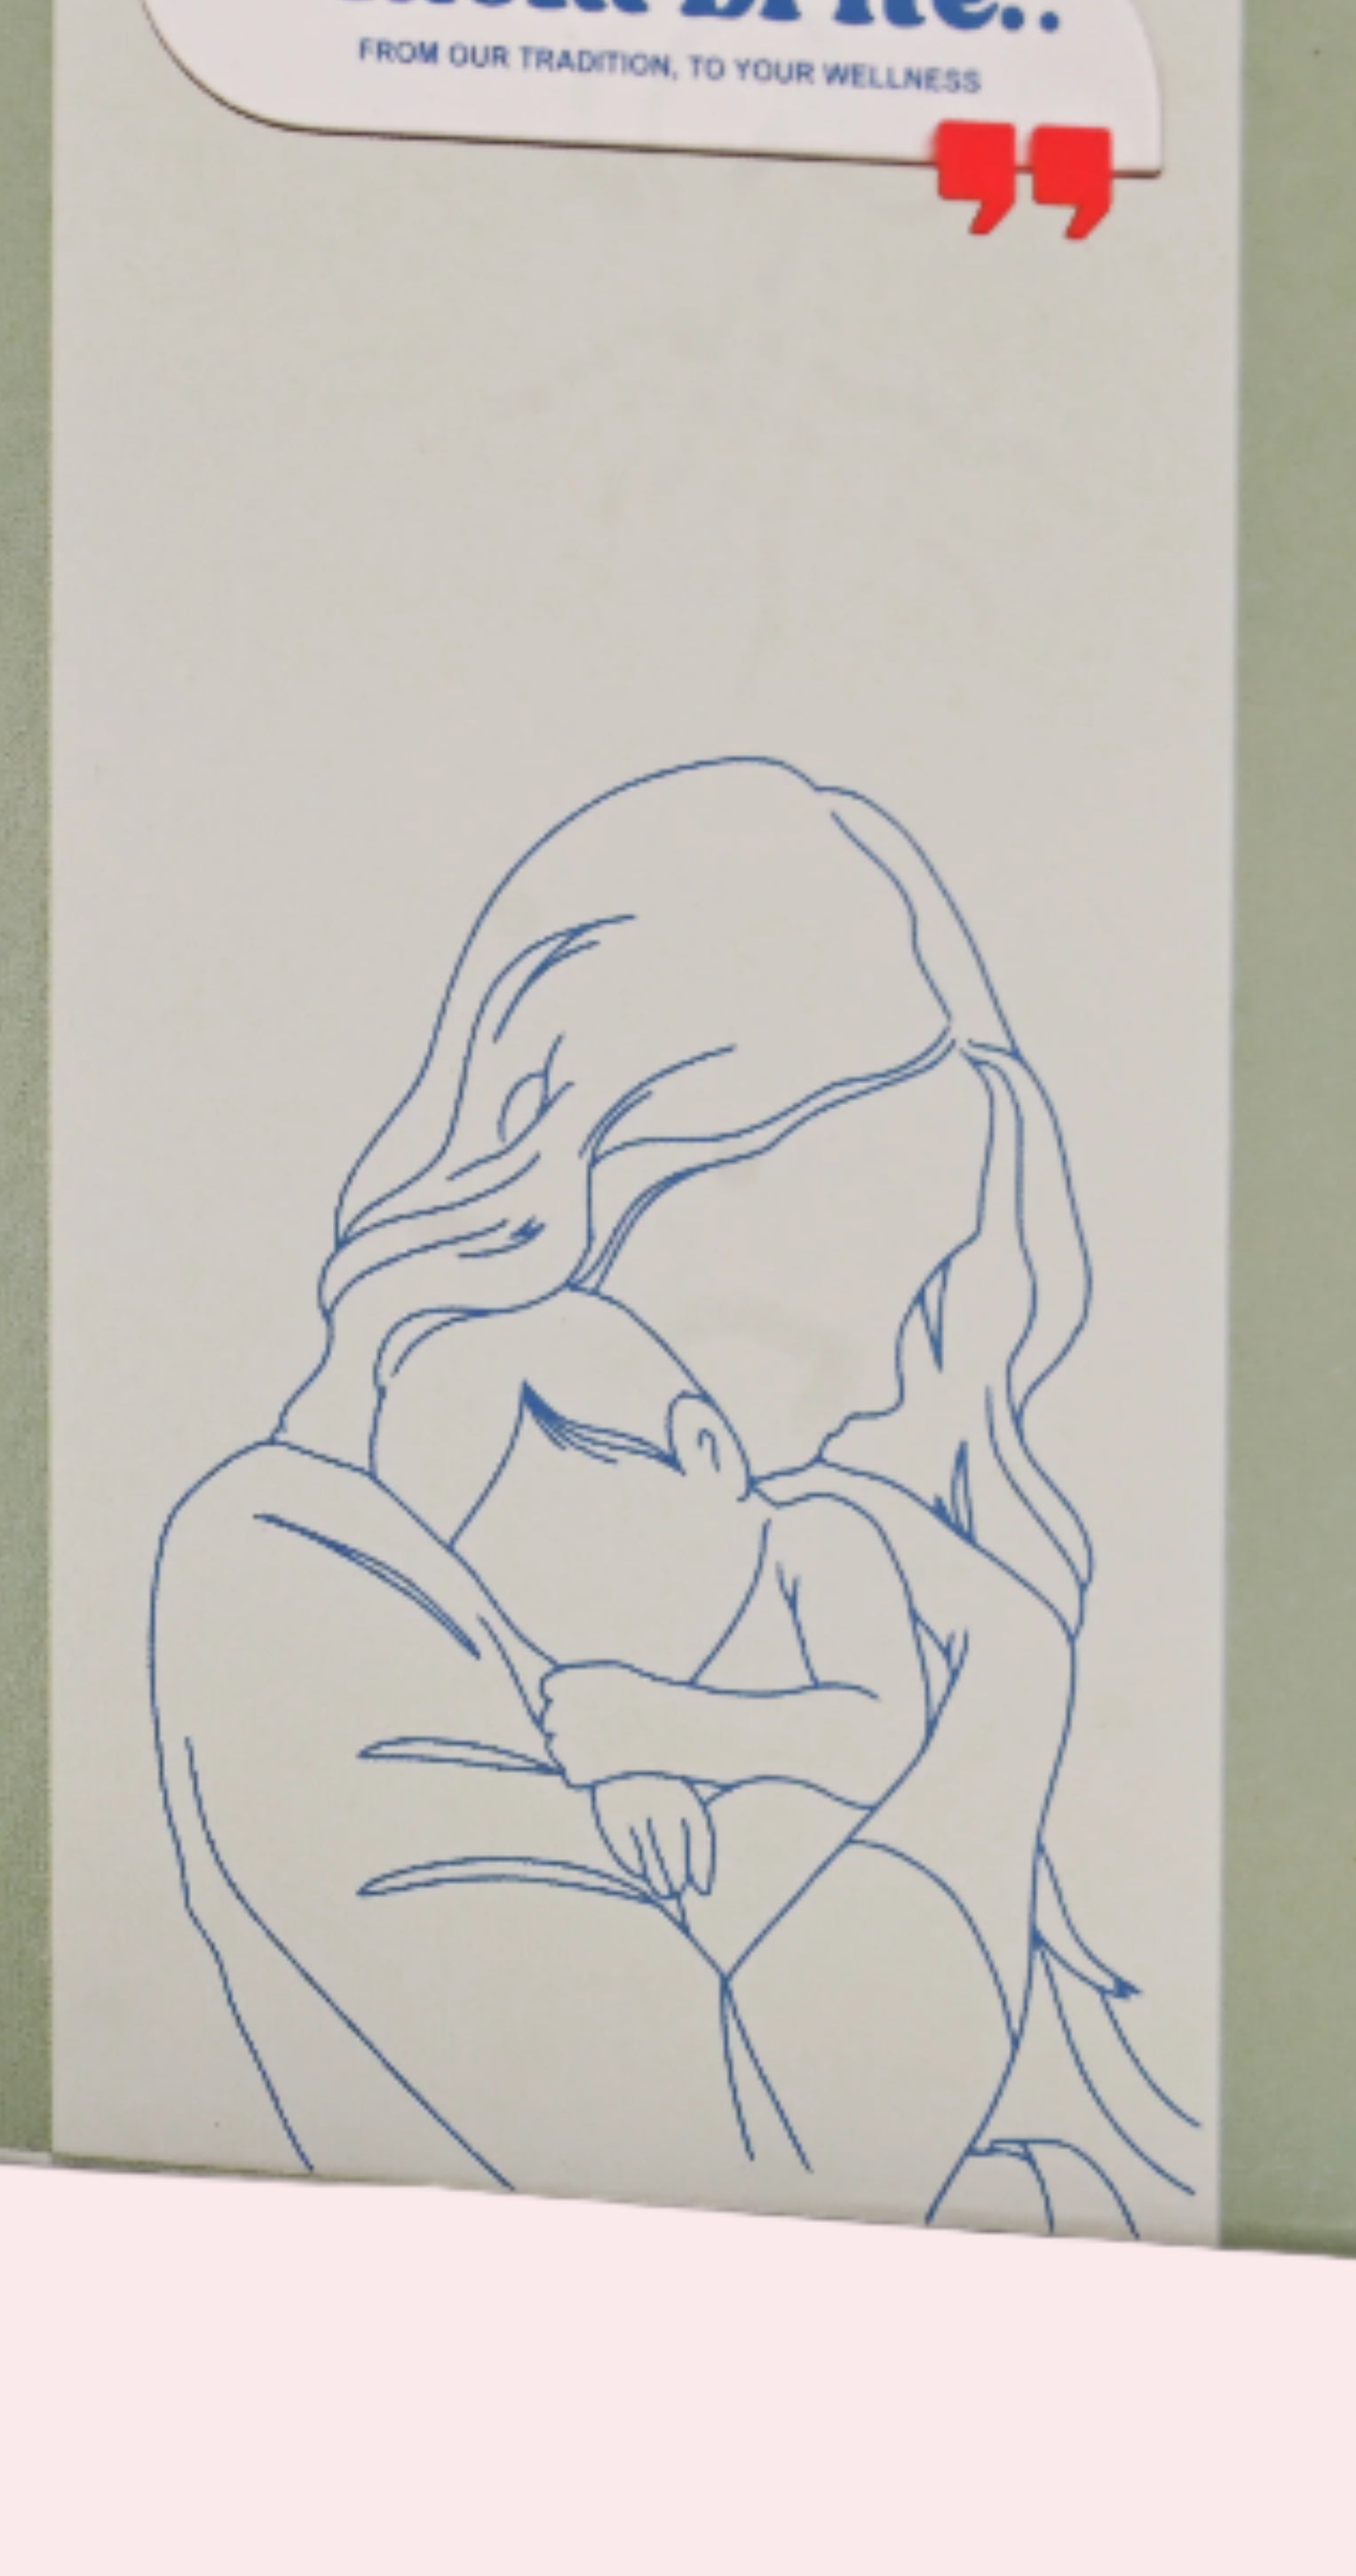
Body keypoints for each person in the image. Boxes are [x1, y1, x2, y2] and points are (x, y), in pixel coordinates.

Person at [145, 759, 1190, 2230]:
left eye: (920, 1287)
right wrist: (1006, 1704)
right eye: (841, 1254)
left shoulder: (813, 1545)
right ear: (590, 1162)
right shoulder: (288, 1568)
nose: (880, 1382)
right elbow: (787, 2141)